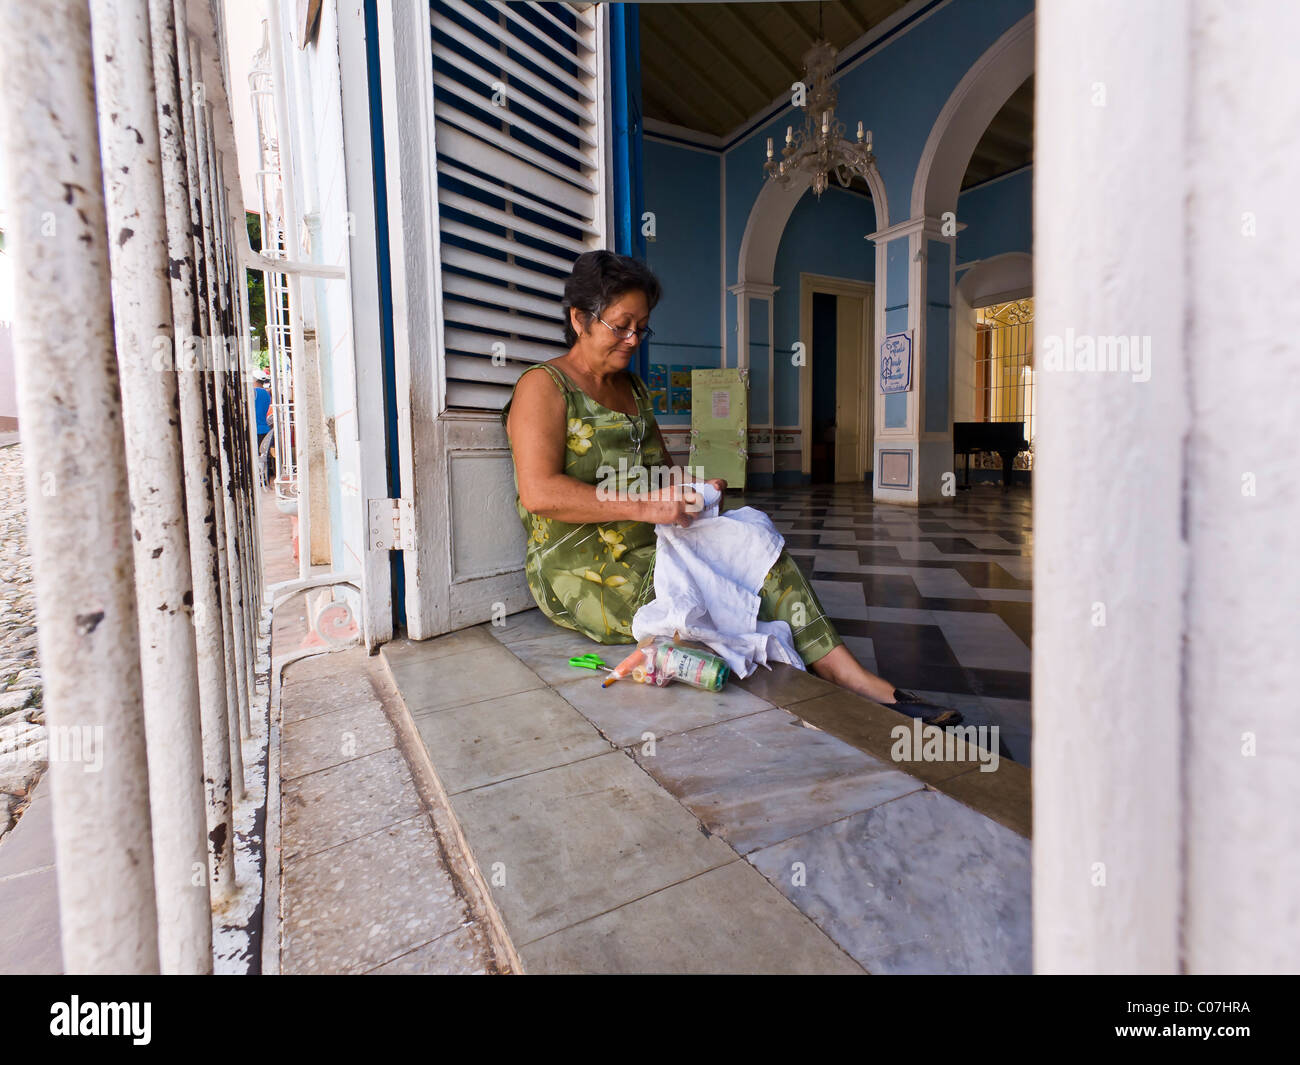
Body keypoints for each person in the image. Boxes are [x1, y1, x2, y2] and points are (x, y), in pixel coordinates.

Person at [500, 250, 960, 724]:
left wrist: (692, 487)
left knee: (754, 544)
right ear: (579, 318)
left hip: (651, 536)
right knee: (712, 595)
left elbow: (664, 472)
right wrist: (647, 506)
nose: (634, 338)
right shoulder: (544, 385)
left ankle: (854, 679)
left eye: (642, 326)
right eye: (622, 325)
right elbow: (540, 493)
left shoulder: (633, 389)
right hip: (581, 562)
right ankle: (815, 684)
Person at [253, 372, 274, 487]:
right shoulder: (267, 394)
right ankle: (264, 479)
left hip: (255, 430)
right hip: (265, 430)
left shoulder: (254, 392)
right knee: (264, 456)